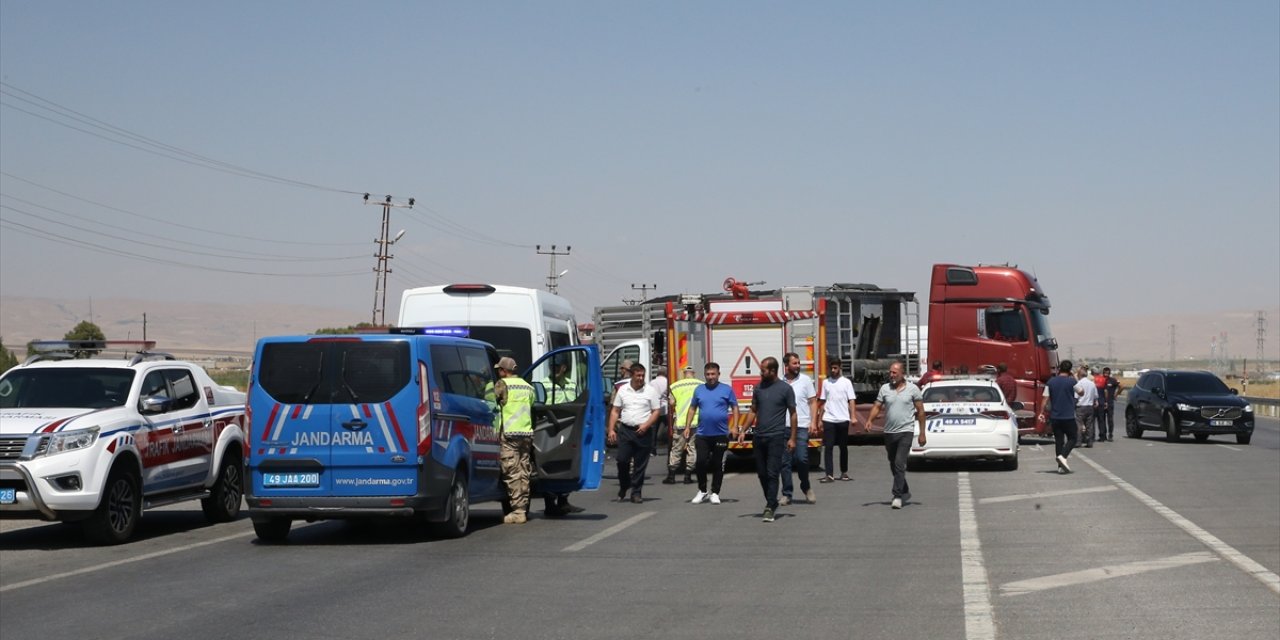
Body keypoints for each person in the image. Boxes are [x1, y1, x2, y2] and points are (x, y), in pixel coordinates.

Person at [739, 356, 796, 523]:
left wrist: (792, 438)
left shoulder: (785, 389)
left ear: (772, 371)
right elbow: (753, 411)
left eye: (763, 370)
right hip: (759, 437)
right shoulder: (758, 388)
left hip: (777, 437)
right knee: (762, 474)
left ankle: (770, 506)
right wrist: (743, 430)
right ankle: (771, 500)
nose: (760, 373)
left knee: (772, 473)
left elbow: (793, 414)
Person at [865, 361, 926, 509]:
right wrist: (869, 420)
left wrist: (922, 433)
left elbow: (921, 412)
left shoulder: (913, 389)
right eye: (890, 372)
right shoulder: (885, 389)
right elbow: (877, 406)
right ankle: (904, 488)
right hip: (889, 432)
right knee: (893, 463)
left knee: (900, 462)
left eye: (894, 373)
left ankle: (897, 495)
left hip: (906, 431)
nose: (891, 375)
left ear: (902, 374)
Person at [607, 363, 660, 503]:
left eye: (643, 375)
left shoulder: (650, 391)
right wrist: (611, 429)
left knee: (640, 464)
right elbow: (615, 410)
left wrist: (646, 425)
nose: (641, 378)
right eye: (638, 375)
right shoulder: (623, 390)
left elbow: (656, 411)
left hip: (644, 431)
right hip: (626, 430)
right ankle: (624, 485)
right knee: (622, 460)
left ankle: (636, 492)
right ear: (631, 375)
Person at [686, 362, 739, 505]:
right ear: (704, 375)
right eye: (708, 374)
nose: (710, 377)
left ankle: (715, 492)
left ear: (718, 374)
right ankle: (702, 491)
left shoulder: (726, 390)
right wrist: (687, 426)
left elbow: (734, 407)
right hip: (703, 434)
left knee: (717, 464)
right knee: (700, 462)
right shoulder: (699, 390)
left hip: (721, 434)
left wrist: (734, 426)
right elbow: (692, 408)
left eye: (713, 374)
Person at [494, 357, 534, 524]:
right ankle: (523, 508)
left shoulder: (502, 384)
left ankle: (517, 511)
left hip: (510, 435)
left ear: (504, 371)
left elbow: (491, 401)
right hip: (526, 434)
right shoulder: (528, 387)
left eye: (499, 370)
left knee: (512, 473)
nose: (498, 372)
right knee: (524, 472)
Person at [780, 352, 818, 506]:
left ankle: (806, 486)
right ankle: (787, 494)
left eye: (798, 363)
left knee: (802, 459)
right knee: (785, 462)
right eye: (794, 363)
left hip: (802, 425)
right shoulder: (780, 382)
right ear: (786, 365)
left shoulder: (805, 381)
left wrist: (814, 421)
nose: (797, 366)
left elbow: (813, 402)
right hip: (783, 427)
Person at [816, 356, 857, 485]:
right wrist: (819, 419)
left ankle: (844, 472)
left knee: (843, 447)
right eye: (831, 368)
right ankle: (829, 474)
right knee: (828, 447)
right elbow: (822, 401)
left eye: (835, 368)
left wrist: (853, 416)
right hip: (829, 418)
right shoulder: (826, 383)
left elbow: (851, 400)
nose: (833, 370)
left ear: (840, 368)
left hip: (843, 418)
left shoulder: (846, 382)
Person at [1038, 360, 1079, 473]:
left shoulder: (1051, 382)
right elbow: (1081, 392)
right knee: (1073, 438)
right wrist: (1074, 378)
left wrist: (1041, 412)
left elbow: (1045, 398)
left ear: (1059, 368)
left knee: (1059, 440)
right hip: (1068, 416)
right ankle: (1063, 456)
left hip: (1055, 416)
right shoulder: (1071, 382)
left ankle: (1060, 467)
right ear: (1070, 370)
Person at [665, 366, 702, 485]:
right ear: (694, 374)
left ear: (684, 374)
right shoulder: (701, 385)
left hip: (681, 423)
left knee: (676, 448)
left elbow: (671, 403)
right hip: (695, 422)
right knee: (692, 448)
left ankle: (671, 476)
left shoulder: (675, 386)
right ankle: (688, 476)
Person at [1075, 366, 1099, 447]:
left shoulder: (1079, 384)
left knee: (1079, 425)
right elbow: (1096, 395)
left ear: (1079, 375)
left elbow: (1076, 396)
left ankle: (1078, 441)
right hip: (1090, 406)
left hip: (1081, 406)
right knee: (1090, 425)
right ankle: (1089, 442)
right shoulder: (1092, 384)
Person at [649, 366, 670, 458]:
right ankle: (671, 449)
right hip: (665, 409)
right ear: (665, 373)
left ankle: (653, 451)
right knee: (670, 429)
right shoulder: (667, 382)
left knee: (653, 431)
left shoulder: (652, 383)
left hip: (655, 409)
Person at [1099, 367, 1121, 442]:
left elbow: (1121, 386)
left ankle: (1110, 434)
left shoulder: (1113, 380)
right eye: (1105, 373)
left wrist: (1116, 394)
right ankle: (1103, 435)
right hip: (1101, 402)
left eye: (1107, 373)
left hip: (1110, 402)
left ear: (1109, 373)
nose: (1106, 375)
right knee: (1102, 419)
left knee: (1110, 419)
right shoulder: (1101, 380)